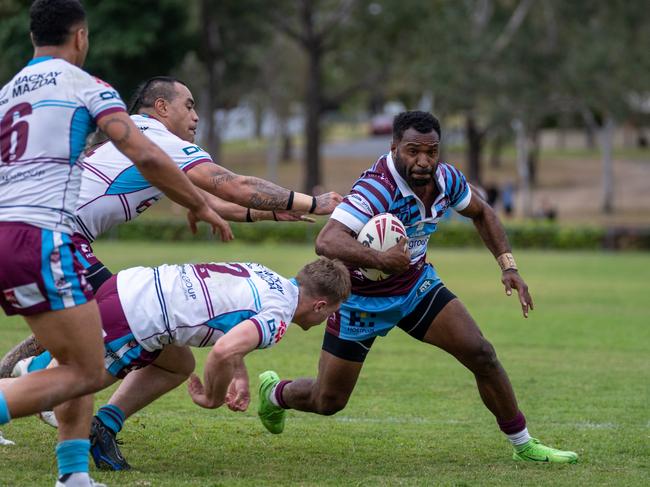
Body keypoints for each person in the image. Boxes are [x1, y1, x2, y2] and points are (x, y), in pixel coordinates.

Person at [256, 111, 579, 464]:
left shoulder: (447, 180)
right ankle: (275, 394)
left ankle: (523, 444)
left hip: (416, 289)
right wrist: (381, 261)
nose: (423, 161)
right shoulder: (377, 187)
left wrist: (508, 266)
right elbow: (327, 240)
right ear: (394, 147)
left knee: (481, 354)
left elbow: (482, 212)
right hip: (362, 301)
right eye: (413, 151)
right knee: (328, 401)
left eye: (431, 151)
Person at [0, 2, 226, 486]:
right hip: (41, 236)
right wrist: (198, 203)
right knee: (86, 369)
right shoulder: (87, 87)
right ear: (80, 37)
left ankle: (73, 477)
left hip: (6, 229)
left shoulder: (9, 92)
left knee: (75, 359)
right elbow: (143, 153)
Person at [0, 75, 343, 376]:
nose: (196, 117)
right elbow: (232, 184)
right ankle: (42, 386)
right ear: (162, 107)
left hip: (35, 226)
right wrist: (313, 203)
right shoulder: (156, 138)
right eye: (189, 106)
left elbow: (210, 202)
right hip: (54, 234)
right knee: (107, 314)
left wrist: (271, 212)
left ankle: (32, 381)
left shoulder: (138, 137)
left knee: (81, 318)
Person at [6, 257, 351, 470]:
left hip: (130, 286)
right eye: (332, 313)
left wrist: (239, 373)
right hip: (135, 320)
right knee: (55, 395)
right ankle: (36, 372)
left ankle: (103, 427)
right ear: (320, 306)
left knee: (177, 363)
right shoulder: (278, 317)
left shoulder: (264, 274)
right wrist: (213, 398)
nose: (329, 319)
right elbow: (222, 351)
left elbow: (229, 319)